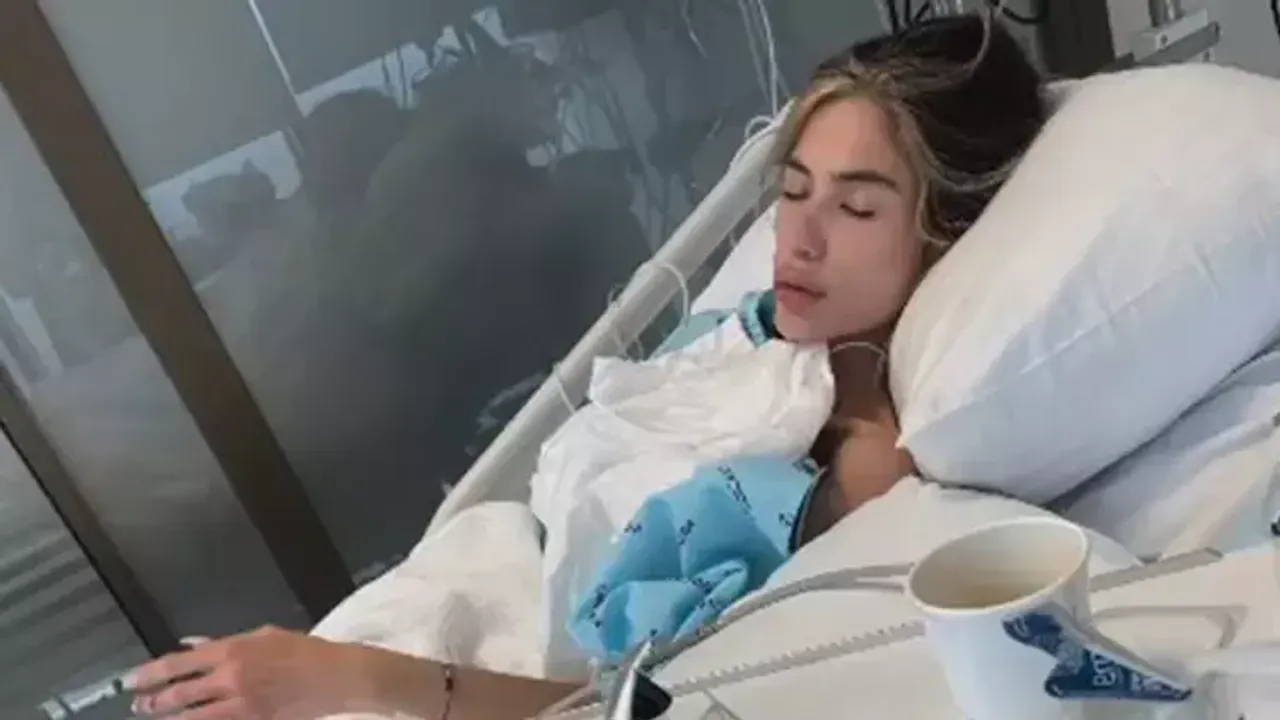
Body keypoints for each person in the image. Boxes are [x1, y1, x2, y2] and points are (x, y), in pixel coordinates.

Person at [127, 12, 1048, 720]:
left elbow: (638, 705)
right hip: (464, 591)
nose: (796, 238)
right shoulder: (740, 336)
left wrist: (336, 676)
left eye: (856, 209)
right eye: (794, 191)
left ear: (945, 229)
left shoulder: (849, 473)